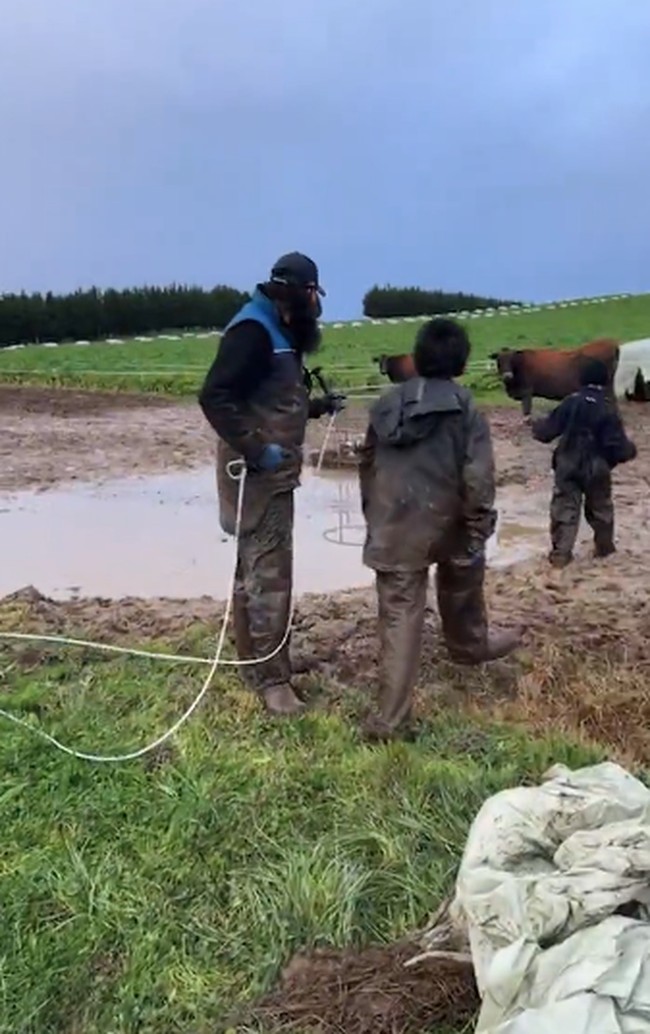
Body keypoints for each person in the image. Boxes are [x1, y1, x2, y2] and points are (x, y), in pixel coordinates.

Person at [358, 317, 521, 742]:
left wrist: (374, 518)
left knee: (398, 615)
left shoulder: (385, 405)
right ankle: (468, 646)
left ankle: (390, 720)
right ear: (462, 362)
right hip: (447, 519)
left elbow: (367, 467)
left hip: (394, 523)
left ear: (418, 356)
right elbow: (478, 477)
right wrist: (478, 524)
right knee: (463, 575)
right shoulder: (465, 406)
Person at [198, 252, 345, 716]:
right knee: (269, 575)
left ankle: (257, 662)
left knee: (253, 570)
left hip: (271, 472)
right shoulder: (252, 331)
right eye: (315, 295)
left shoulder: (278, 328)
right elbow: (215, 396)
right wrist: (258, 449)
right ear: (302, 294)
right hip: (255, 475)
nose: (317, 306)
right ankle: (273, 682)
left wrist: (316, 407)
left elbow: (270, 396)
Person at [531, 357, 637, 568]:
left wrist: (535, 426)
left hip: (567, 463)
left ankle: (561, 556)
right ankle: (604, 551)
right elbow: (616, 445)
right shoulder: (607, 407)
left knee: (564, 509)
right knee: (601, 509)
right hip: (597, 466)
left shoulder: (570, 402)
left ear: (581, 379)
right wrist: (629, 451)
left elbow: (546, 432)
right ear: (605, 380)